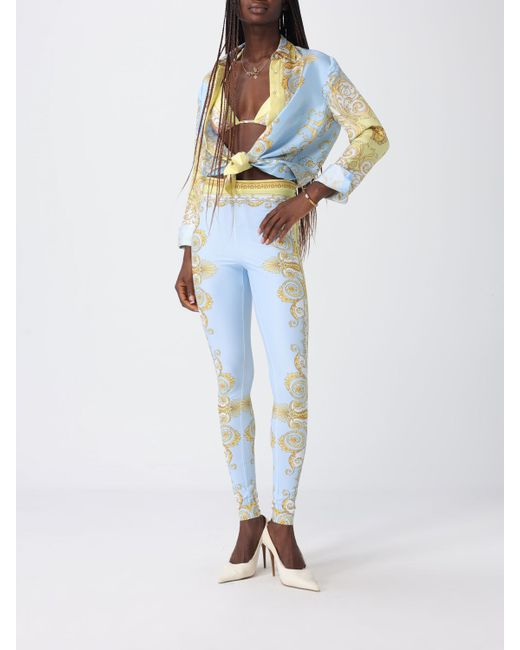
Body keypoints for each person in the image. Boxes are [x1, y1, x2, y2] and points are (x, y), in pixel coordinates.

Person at [175, 0, 389, 591]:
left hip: (272, 227)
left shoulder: (315, 68)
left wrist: (310, 196)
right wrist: (187, 249)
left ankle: (284, 525)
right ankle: (248, 521)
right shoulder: (218, 74)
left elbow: (372, 134)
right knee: (231, 382)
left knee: (290, 382)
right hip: (214, 231)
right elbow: (200, 164)